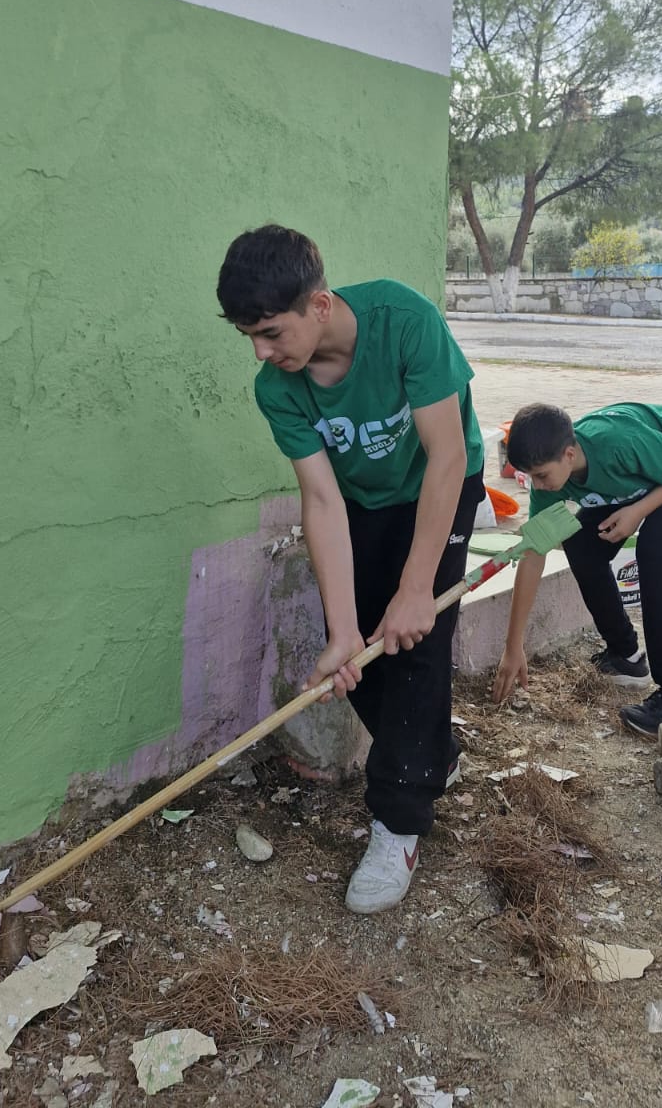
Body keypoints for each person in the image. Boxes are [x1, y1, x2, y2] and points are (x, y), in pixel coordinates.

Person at [216, 225, 484, 912]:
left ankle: (399, 822)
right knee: (361, 650)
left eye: (272, 331)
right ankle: (433, 752)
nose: (261, 351)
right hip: (361, 501)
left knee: (417, 643)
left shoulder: (404, 323)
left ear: (321, 305)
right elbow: (322, 497)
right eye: (249, 335)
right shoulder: (278, 390)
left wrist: (418, 587)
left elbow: (446, 458)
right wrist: (342, 631)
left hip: (439, 485)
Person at [491, 401, 662, 736]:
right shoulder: (550, 483)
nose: (537, 486)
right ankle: (625, 655)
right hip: (643, 477)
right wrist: (513, 647)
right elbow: (533, 554)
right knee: (581, 542)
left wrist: (638, 511)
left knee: (658, 552)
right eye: (530, 477)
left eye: (541, 475)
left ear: (569, 455)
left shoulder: (617, 444)